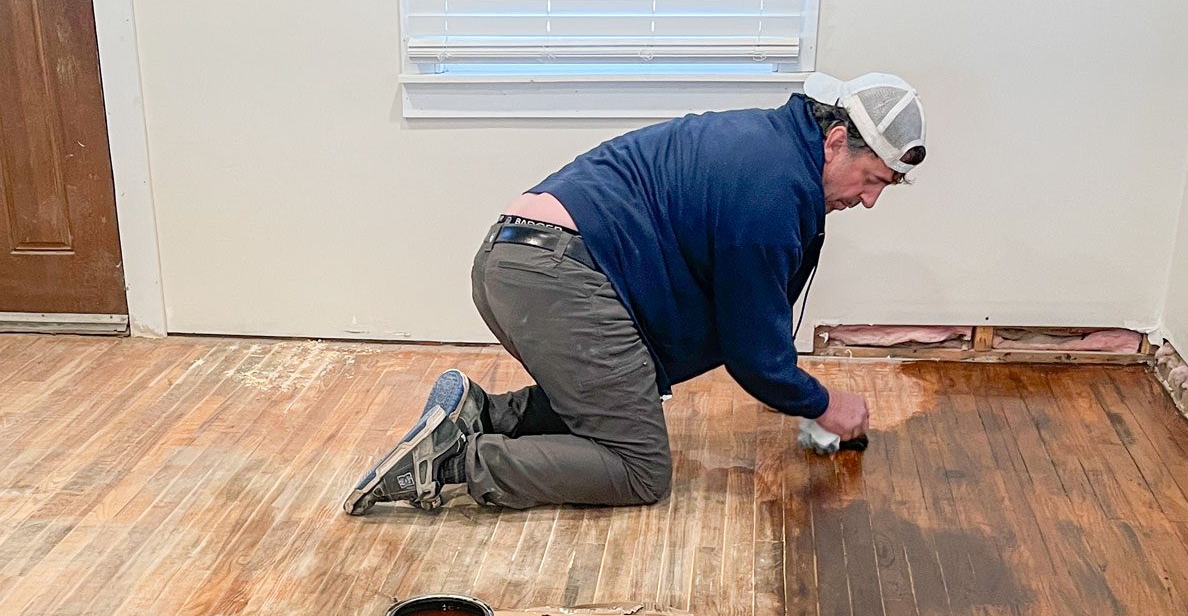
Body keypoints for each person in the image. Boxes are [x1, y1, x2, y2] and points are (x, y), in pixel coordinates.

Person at [343, 72, 927, 517]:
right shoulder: (774, 191)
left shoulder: (765, 144)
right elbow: (755, 353)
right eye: (872, 180)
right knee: (638, 470)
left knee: (621, 399)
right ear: (835, 140)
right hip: (557, 276)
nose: (870, 200)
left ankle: (480, 414)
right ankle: (453, 464)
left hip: (517, 258)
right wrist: (824, 404)